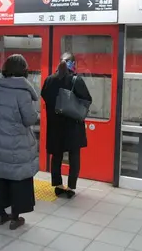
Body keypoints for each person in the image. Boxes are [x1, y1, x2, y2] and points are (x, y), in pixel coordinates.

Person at [0, 54, 38, 230]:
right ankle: (15, 217)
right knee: (18, 180)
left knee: (0, 178)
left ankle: (1, 215)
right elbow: (29, 119)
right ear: (24, 70)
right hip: (16, 143)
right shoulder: (22, 92)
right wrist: (36, 114)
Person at [41, 52, 92, 198]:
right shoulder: (77, 80)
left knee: (56, 156)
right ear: (73, 65)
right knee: (74, 156)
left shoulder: (49, 80)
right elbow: (87, 99)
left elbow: (45, 96)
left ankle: (57, 186)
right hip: (73, 125)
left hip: (55, 125)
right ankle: (70, 187)